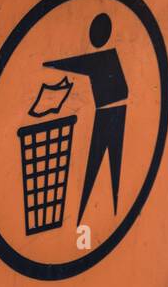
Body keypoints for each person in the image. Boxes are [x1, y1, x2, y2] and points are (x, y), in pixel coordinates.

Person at [44, 12, 128, 223]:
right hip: (114, 111)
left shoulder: (104, 57)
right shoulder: (107, 56)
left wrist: (51, 64)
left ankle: (92, 213)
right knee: (108, 164)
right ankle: (101, 209)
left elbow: (76, 63)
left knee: (97, 165)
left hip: (109, 113)